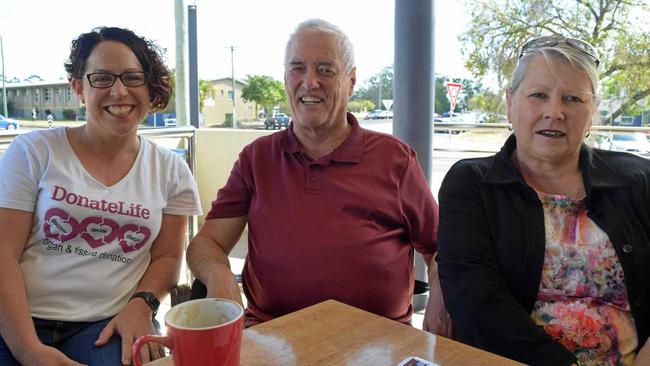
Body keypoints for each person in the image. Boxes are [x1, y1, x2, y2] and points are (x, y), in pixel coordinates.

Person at [187, 18, 440, 328]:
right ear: (285, 79)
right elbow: (205, 244)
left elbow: (440, 249)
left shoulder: (396, 160)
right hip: (272, 336)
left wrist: (441, 304)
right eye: (297, 68)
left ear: (351, 82)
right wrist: (219, 276)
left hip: (378, 343)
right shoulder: (256, 159)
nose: (309, 82)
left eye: (325, 70)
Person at [436, 35, 650, 365]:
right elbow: (477, 305)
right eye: (538, 95)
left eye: (573, 99)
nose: (555, 112)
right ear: (509, 102)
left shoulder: (639, 179)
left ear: (592, 111)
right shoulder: (471, 184)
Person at [0, 27, 202, 366]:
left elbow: (168, 257)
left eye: (132, 78)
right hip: (18, 321)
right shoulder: (33, 152)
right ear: (78, 87)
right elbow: (2, 252)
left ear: (148, 87)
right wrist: (28, 350)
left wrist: (142, 305)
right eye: (102, 78)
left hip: (105, 325)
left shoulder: (171, 170)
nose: (119, 91)